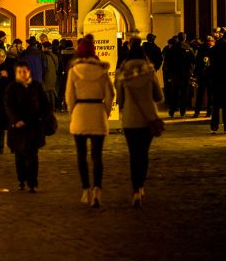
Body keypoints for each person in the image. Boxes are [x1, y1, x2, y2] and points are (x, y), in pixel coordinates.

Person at [65, 37, 115, 209]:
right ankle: (98, 190)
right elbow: (110, 94)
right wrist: (105, 111)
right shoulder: (101, 71)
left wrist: (73, 112)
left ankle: (86, 189)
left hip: (80, 111)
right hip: (97, 112)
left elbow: (69, 96)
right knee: (97, 156)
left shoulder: (74, 70)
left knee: (81, 154)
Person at [116, 38, 164, 207]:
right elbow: (159, 96)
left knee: (133, 154)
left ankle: (135, 189)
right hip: (147, 119)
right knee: (143, 154)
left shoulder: (122, 73)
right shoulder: (149, 72)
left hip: (130, 120)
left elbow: (120, 100)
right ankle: (141, 185)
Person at [5, 61, 49, 193]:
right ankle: (21, 180)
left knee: (32, 156)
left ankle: (32, 182)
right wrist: (16, 120)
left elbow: (45, 104)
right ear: (16, 73)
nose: (22, 74)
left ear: (29, 72)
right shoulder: (12, 88)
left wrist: (42, 118)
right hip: (18, 128)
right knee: (19, 156)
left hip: (33, 127)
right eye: (19, 72)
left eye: (24, 71)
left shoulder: (36, 86)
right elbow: (8, 106)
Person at [163, 32, 195, 118]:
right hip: (185, 73)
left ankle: (172, 110)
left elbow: (167, 61)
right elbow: (193, 61)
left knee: (174, 92)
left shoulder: (173, 49)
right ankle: (182, 111)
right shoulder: (188, 48)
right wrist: (191, 72)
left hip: (175, 73)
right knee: (184, 92)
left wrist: (169, 74)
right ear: (185, 38)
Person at [192, 34, 215, 117]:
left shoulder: (200, 49)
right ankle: (209, 112)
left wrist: (195, 74)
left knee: (200, 94)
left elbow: (197, 63)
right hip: (211, 74)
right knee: (210, 94)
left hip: (202, 74)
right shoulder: (213, 50)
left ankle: (197, 112)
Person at [41, 41, 59, 110]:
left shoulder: (44, 56)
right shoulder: (55, 56)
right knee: (52, 91)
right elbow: (56, 67)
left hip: (46, 76)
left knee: (46, 92)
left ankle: (48, 108)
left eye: (42, 47)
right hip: (53, 75)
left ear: (45, 48)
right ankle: (53, 107)